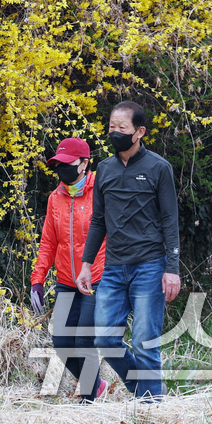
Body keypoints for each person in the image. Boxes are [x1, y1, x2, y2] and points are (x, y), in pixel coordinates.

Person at [76, 101, 182, 402]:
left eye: (122, 128)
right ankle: (145, 389)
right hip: (113, 268)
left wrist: (172, 269)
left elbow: (170, 220)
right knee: (105, 339)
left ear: (139, 132)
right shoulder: (104, 169)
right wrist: (86, 264)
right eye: (112, 127)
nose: (115, 132)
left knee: (145, 342)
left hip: (149, 266)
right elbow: (98, 220)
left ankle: (151, 406)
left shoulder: (159, 168)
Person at [31, 137, 109, 401]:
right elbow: (48, 242)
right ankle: (96, 384)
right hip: (66, 279)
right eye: (58, 164)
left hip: (97, 277)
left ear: (85, 163)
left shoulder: (101, 190)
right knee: (62, 343)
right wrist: (38, 279)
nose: (62, 168)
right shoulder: (56, 198)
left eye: (68, 163)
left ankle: (88, 398)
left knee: (84, 339)